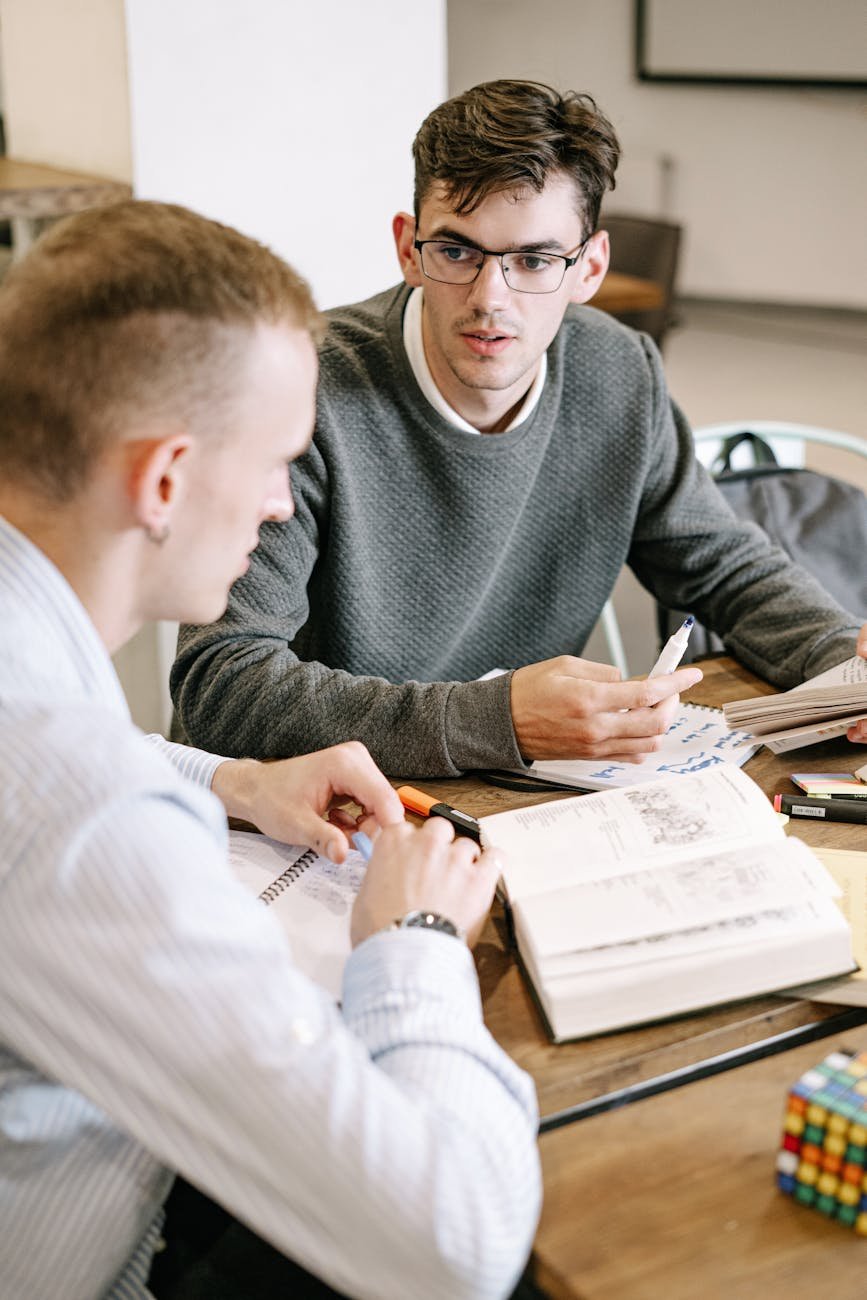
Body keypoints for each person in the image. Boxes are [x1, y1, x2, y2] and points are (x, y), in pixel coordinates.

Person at [0, 201, 541, 1300]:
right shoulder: (74, 808)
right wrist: (418, 937)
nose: (282, 500)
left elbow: (69, 750)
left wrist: (233, 779)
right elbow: (456, 1244)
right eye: (275, 462)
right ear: (162, 482)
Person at [170, 79, 867, 778]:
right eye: (456, 252)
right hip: (313, 816)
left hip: (517, 799)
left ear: (588, 267)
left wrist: (844, 660)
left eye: (533, 260)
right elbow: (222, 685)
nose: (489, 299)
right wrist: (497, 718)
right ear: (408, 248)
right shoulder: (299, 391)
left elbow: (722, 568)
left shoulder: (618, 371)